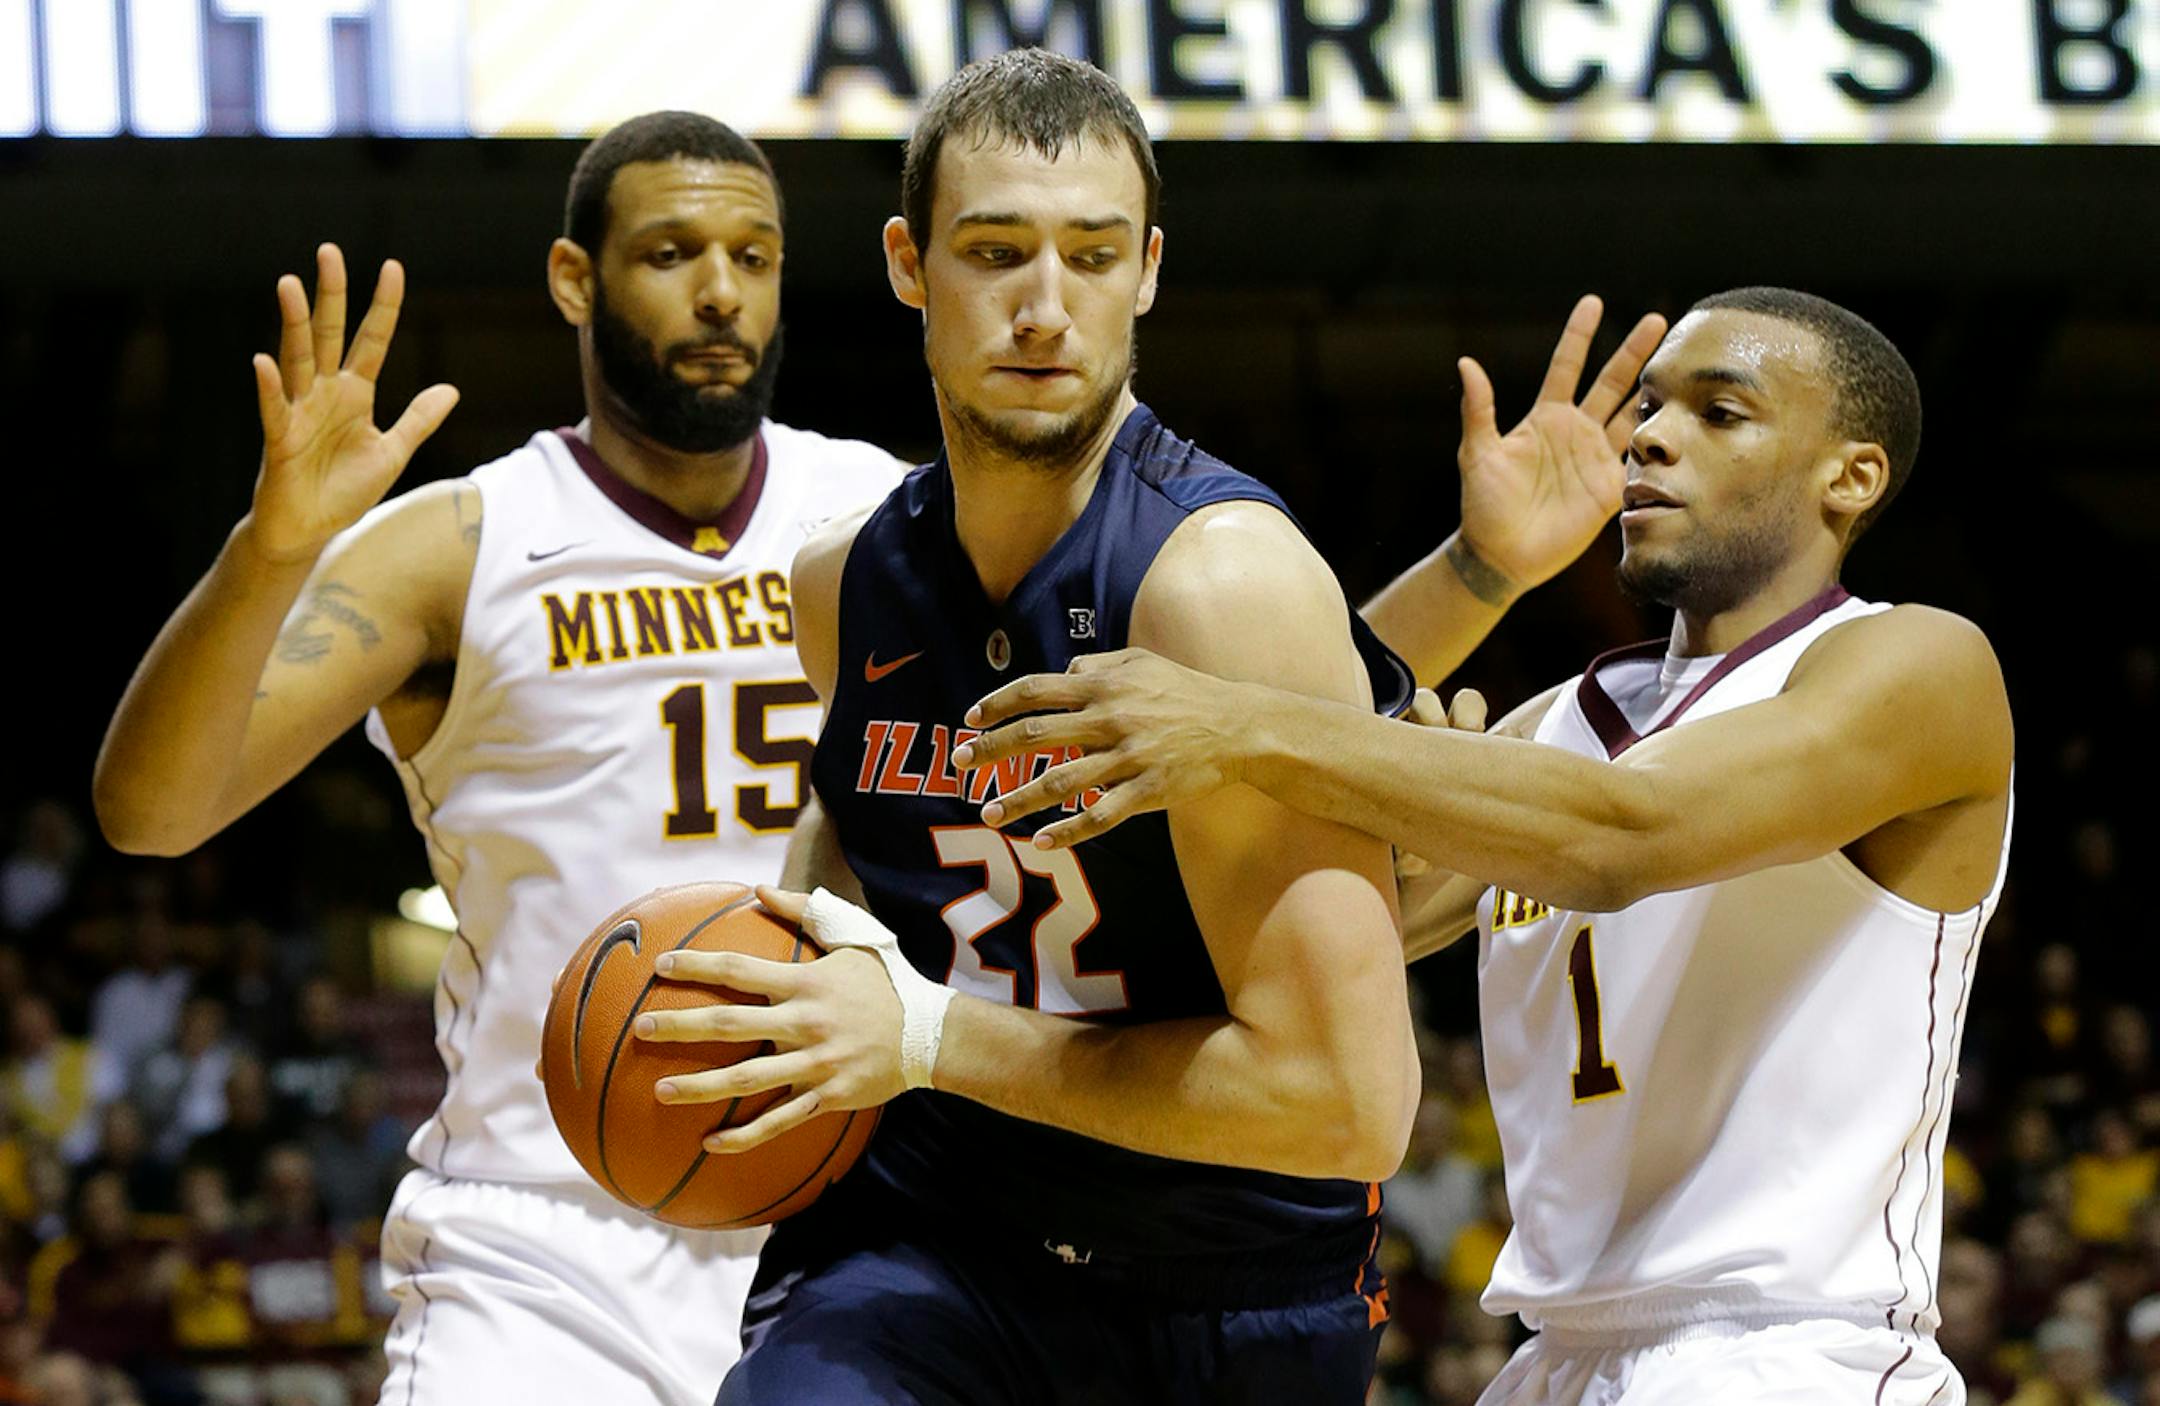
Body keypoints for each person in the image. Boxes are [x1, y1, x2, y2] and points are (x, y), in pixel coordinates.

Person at [629, 50, 1659, 1405]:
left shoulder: (1225, 580)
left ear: (1149, 271)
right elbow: (858, 861)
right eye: (995, 251)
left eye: (1092, 256)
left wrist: (927, 1036)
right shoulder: (843, 584)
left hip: (1223, 1291)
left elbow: (1351, 1104)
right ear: (907, 261)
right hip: (924, 1254)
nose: (1045, 308)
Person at [958, 286, 2015, 1401]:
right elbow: (1315, 886)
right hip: (1553, 1356)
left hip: (1794, 1349)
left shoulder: (1918, 666)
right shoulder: (1554, 726)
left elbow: (1622, 834)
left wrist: (1244, 725)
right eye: (1651, 404)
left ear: (1850, 476)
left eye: (1721, 411)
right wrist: (1481, 568)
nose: (1650, 433)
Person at [92, 112, 906, 1404]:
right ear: (575, 279)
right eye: (672, 251)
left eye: (756, 256)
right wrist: (269, 549)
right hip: (542, 1244)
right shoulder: (458, 547)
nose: (720, 291)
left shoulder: (885, 514)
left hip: (852, 1226)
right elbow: (150, 809)